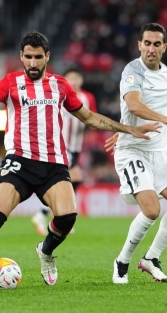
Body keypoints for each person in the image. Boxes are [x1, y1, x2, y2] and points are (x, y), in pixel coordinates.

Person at [0, 30, 161, 289]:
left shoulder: (60, 85)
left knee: (67, 218)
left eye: (37, 57)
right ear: (21, 57)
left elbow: (89, 117)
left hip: (54, 164)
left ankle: (45, 251)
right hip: (19, 162)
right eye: (27, 57)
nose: (32, 63)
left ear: (47, 56)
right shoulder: (10, 82)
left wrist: (129, 129)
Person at [104, 23, 167, 284]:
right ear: (139, 45)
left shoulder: (164, 72)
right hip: (133, 152)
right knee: (152, 210)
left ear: (164, 47)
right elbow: (134, 104)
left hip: (159, 152)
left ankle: (151, 258)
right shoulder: (132, 70)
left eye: (156, 44)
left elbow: (138, 107)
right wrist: (165, 119)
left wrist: (124, 126)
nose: (151, 49)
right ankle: (122, 261)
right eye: (147, 43)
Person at [31, 67, 97, 235]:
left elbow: (92, 119)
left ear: (81, 80)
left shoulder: (88, 98)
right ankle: (55, 215)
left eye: (76, 78)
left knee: (72, 180)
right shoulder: (57, 95)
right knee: (72, 179)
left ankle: (51, 214)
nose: (74, 81)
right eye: (70, 78)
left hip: (75, 146)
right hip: (61, 146)